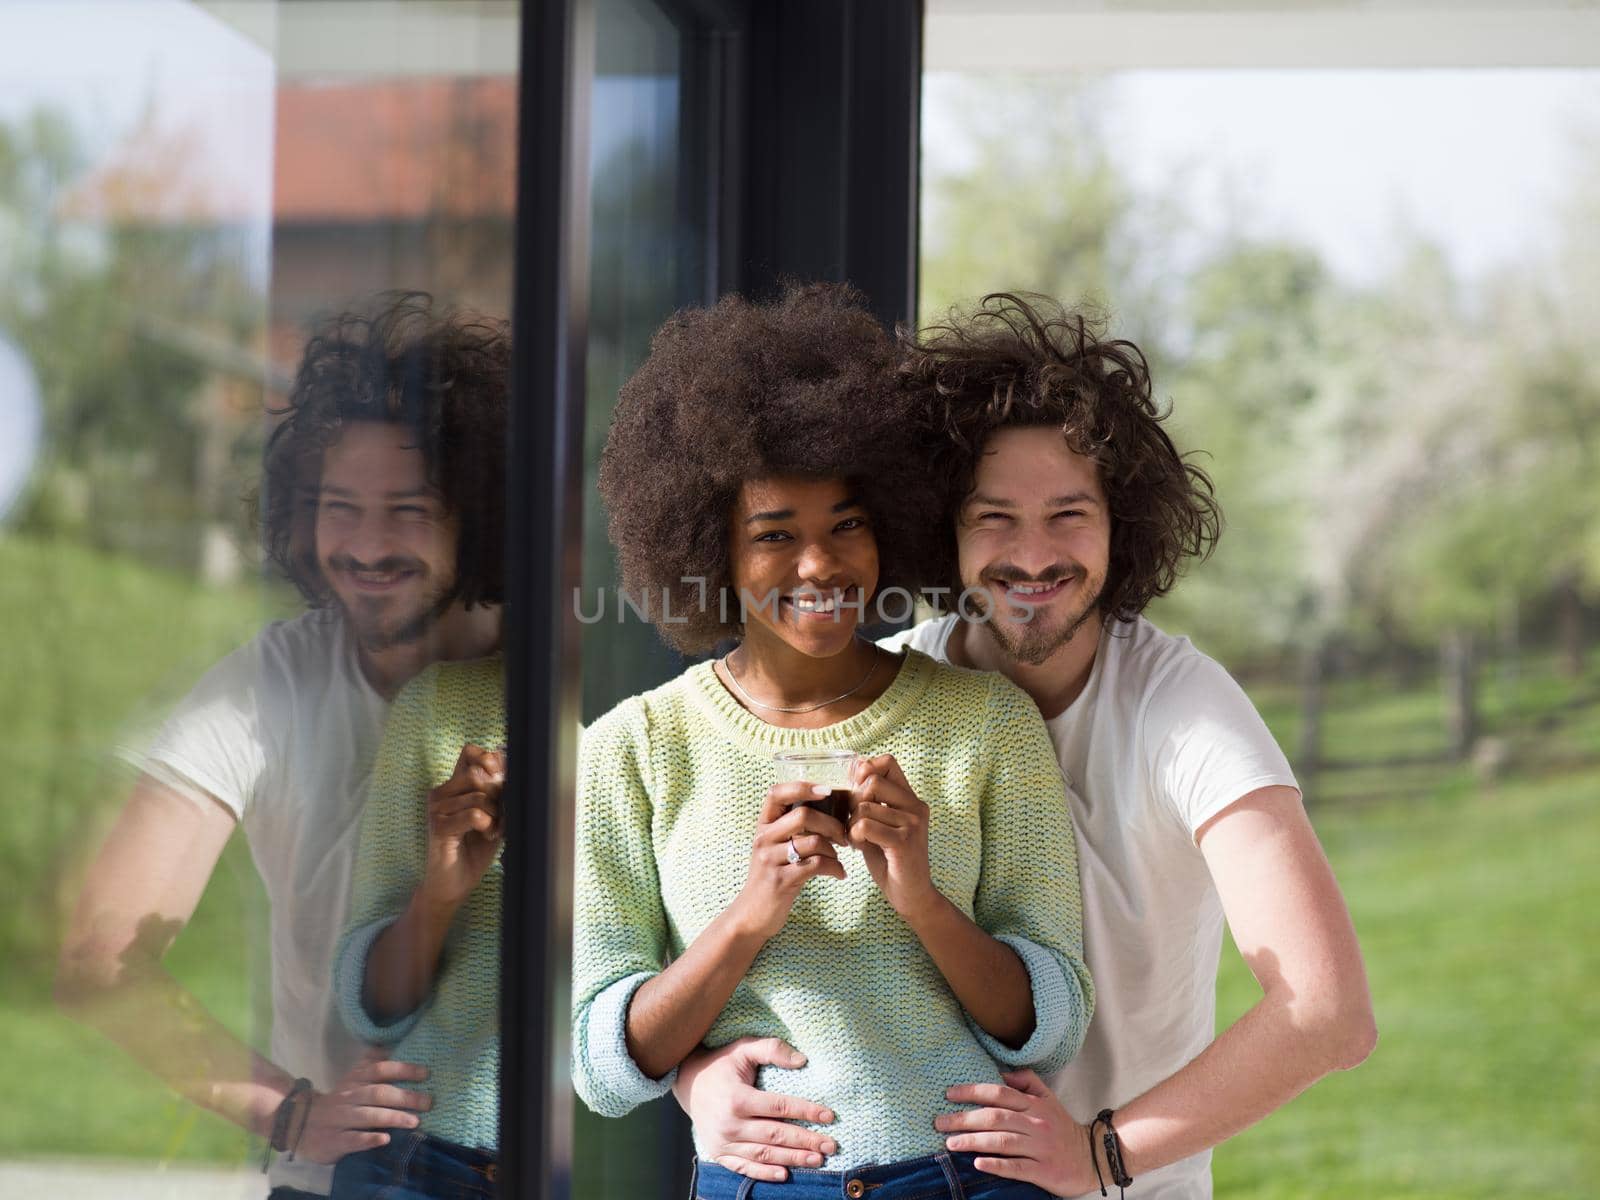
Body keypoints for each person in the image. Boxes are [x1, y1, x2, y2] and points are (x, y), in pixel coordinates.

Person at [673, 293, 1376, 1199]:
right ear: (943, 528)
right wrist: (699, 1079)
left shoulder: (1183, 710)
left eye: (1069, 514)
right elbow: (777, 950)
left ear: (1123, 525)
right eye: (994, 516)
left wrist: (1103, 1153)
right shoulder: (891, 696)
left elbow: (1327, 1013)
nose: (1033, 556)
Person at [570, 283, 1094, 1200]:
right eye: (775, 535)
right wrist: (747, 918)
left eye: (847, 524)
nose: (819, 565)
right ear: (711, 551)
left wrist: (922, 898)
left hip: (968, 1180)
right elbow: (601, 1066)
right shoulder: (636, 747)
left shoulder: (985, 724)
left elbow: (1051, 1028)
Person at [55, 292, 508, 1200]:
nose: (366, 545)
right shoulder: (269, 685)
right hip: (343, 1182)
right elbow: (97, 956)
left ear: (478, 516)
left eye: (408, 511)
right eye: (339, 507)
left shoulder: (554, 683)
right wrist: (289, 1111)